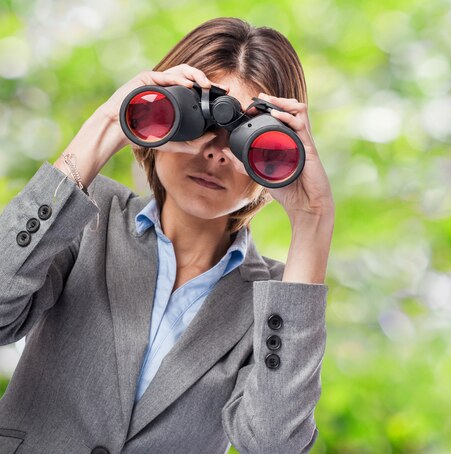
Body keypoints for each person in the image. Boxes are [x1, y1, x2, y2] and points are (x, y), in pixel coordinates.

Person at [0, 17, 334, 454]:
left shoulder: (273, 304)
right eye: (200, 119)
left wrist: (313, 219)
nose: (215, 151)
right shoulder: (86, 218)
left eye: (244, 138)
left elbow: (273, 442)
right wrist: (106, 124)